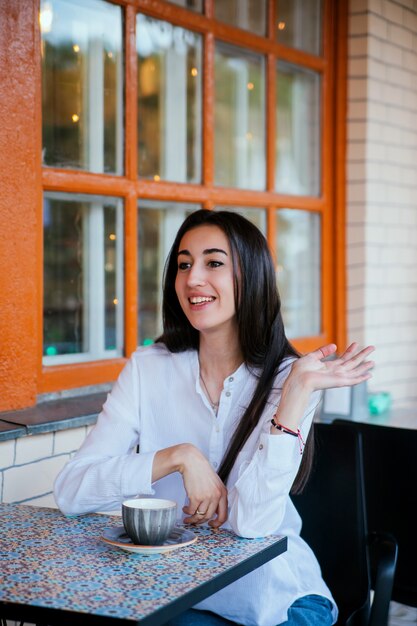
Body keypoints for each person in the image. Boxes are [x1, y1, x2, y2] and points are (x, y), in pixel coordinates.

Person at [54, 209, 374, 626]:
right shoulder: (147, 368)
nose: (192, 278)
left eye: (214, 263)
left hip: (272, 601)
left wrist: (295, 394)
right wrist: (178, 456)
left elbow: (252, 523)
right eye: (184, 264)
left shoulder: (288, 378)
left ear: (252, 277)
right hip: (172, 591)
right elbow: (71, 491)